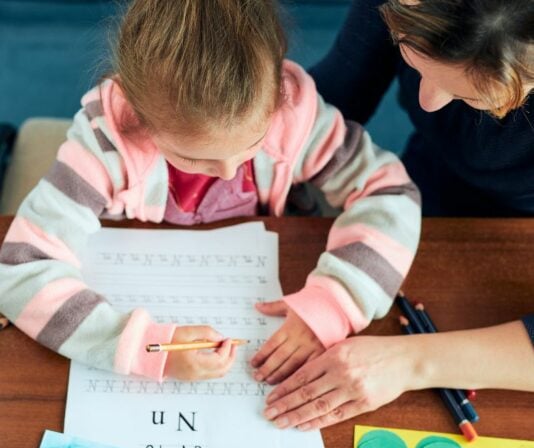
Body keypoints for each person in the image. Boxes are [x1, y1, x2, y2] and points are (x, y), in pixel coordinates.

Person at [0, 0, 421, 383]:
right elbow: (21, 267)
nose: (228, 171)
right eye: (194, 159)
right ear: (138, 117)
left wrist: (335, 301)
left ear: (277, 93)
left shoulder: (293, 116)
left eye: (252, 144)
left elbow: (390, 192)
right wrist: (148, 348)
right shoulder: (104, 142)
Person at [261, 0, 534, 431]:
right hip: (413, 195)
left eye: (470, 96)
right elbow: (333, 102)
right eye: (413, 57)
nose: (426, 102)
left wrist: (411, 363)